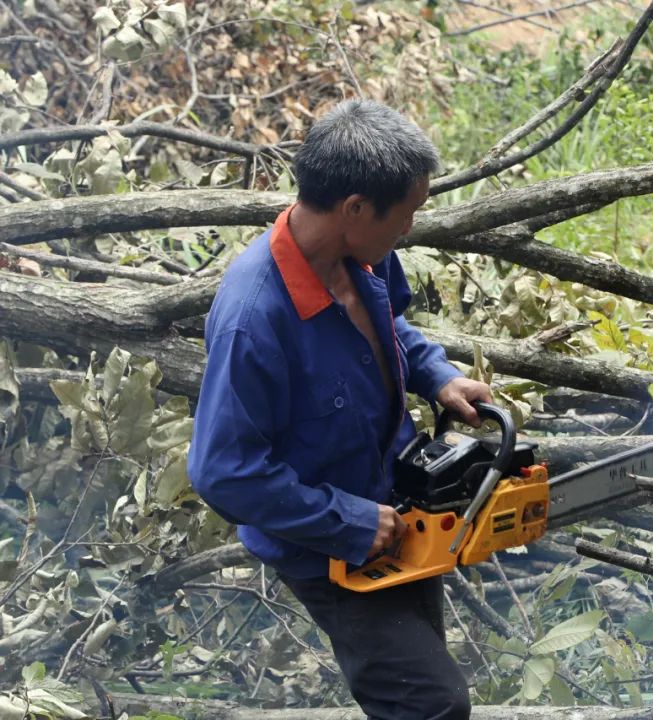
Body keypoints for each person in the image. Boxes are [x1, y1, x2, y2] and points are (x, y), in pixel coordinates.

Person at [187, 99, 491, 719]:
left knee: (417, 672)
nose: (408, 229)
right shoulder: (255, 318)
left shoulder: (366, 256)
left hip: (396, 503)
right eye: (404, 215)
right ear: (355, 208)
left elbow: (390, 325)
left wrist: (437, 375)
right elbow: (221, 471)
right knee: (434, 704)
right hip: (326, 545)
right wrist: (349, 522)